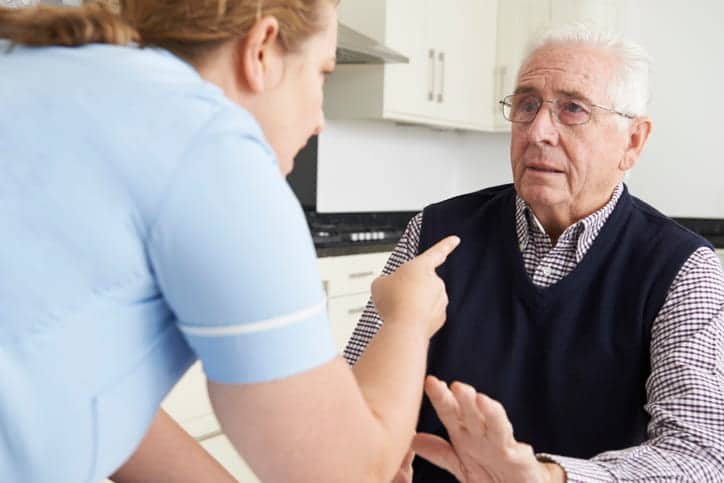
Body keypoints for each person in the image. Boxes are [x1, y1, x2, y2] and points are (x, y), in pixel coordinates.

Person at [0, 1, 461, 482]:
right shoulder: (212, 145)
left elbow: (90, 389)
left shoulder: (46, 69)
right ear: (260, 50)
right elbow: (345, 475)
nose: (320, 119)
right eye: (322, 73)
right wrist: (406, 317)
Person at [345, 25, 724, 482]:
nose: (539, 130)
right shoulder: (434, 234)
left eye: (573, 109)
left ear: (632, 142)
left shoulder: (682, 269)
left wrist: (547, 478)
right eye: (527, 105)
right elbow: (350, 402)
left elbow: (701, 455)